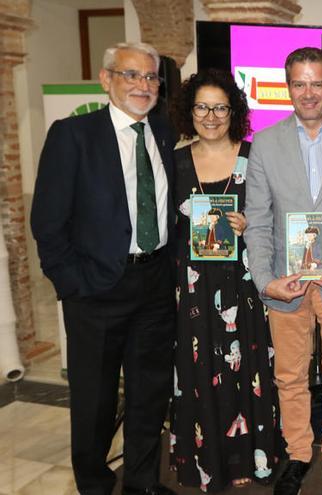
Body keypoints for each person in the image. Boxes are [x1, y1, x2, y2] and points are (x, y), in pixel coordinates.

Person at [31, 41, 176, 495]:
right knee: (93, 403)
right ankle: (94, 486)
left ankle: (142, 484)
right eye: (131, 75)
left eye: (151, 77)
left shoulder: (165, 132)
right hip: (95, 291)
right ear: (106, 79)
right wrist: (74, 285)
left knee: (149, 396)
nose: (143, 85)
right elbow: (47, 223)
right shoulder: (72, 135)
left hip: (154, 284)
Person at [244, 47, 322, 495]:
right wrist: (265, 281)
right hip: (287, 284)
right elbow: (258, 221)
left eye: (317, 83)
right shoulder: (265, 143)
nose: (309, 92)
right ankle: (298, 453)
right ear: (288, 88)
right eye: (299, 83)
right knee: (289, 377)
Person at [168, 68, 283, 492]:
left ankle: (249, 457)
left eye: (220, 107)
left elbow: (276, 215)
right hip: (193, 286)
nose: (211, 116)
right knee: (199, 370)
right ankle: (207, 460)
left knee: (247, 368)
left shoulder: (254, 156)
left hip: (243, 283)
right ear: (189, 111)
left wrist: (251, 222)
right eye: (202, 107)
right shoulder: (176, 160)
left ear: (233, 111)